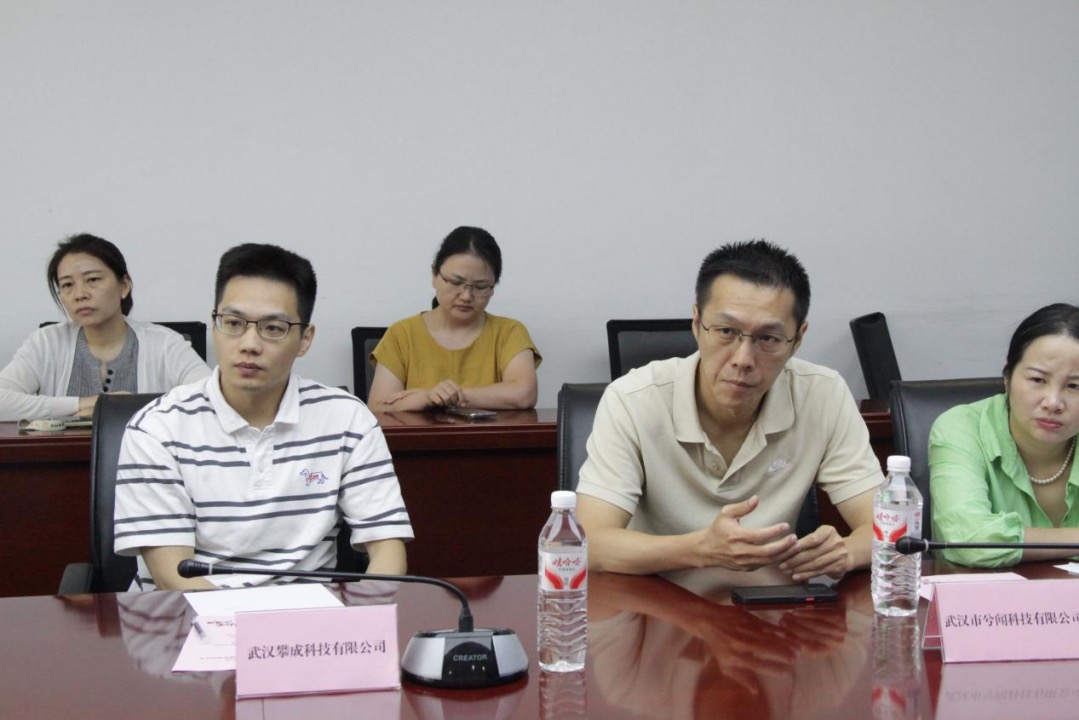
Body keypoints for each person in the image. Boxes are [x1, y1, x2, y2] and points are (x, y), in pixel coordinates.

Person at [576, 240, 883, 581]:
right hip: (655, 605)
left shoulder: (823, 394)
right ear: (696, 323)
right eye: (726, 331)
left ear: (797, 339)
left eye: (768, 338)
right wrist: (702, 550)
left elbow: (889, 527)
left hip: (776, 608)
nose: (743, 359)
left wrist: (847, 551)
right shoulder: (633, 399)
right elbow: (589, 544)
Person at [114, 243, 413, 591]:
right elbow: (173, 577)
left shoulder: (347, 419)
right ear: (214, 325)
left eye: (273, 328)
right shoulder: (157, 428)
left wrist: (366, 613)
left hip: (308, 618)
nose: (249, 344)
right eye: (233, 323)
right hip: (186, 616)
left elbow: (387, 549)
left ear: (305, 340)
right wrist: (257, 626)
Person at [0, 233, 210, 421]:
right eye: (67, 285)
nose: (80, 294)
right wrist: (86, 403)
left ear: (124, 286)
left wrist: (124, 408)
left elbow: (210, 398)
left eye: (92, 280)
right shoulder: (47, 342)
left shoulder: (165, 344)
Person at [930, 303, 1079, 567]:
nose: (1053, 403)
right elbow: (968, 539)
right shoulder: (961, 428)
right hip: (984, 592)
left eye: (1074, 386)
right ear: (1007, 377)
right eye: (1037, 380)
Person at [368, 226, 541, 411]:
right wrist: (426, 397)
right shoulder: (401, 334)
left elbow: (524, 395)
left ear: (492, 288)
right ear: (435, 275)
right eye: (456, 282)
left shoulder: (509, 333)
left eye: (481, 286)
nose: (466, 296)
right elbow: (378, 407)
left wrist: (450, 396)